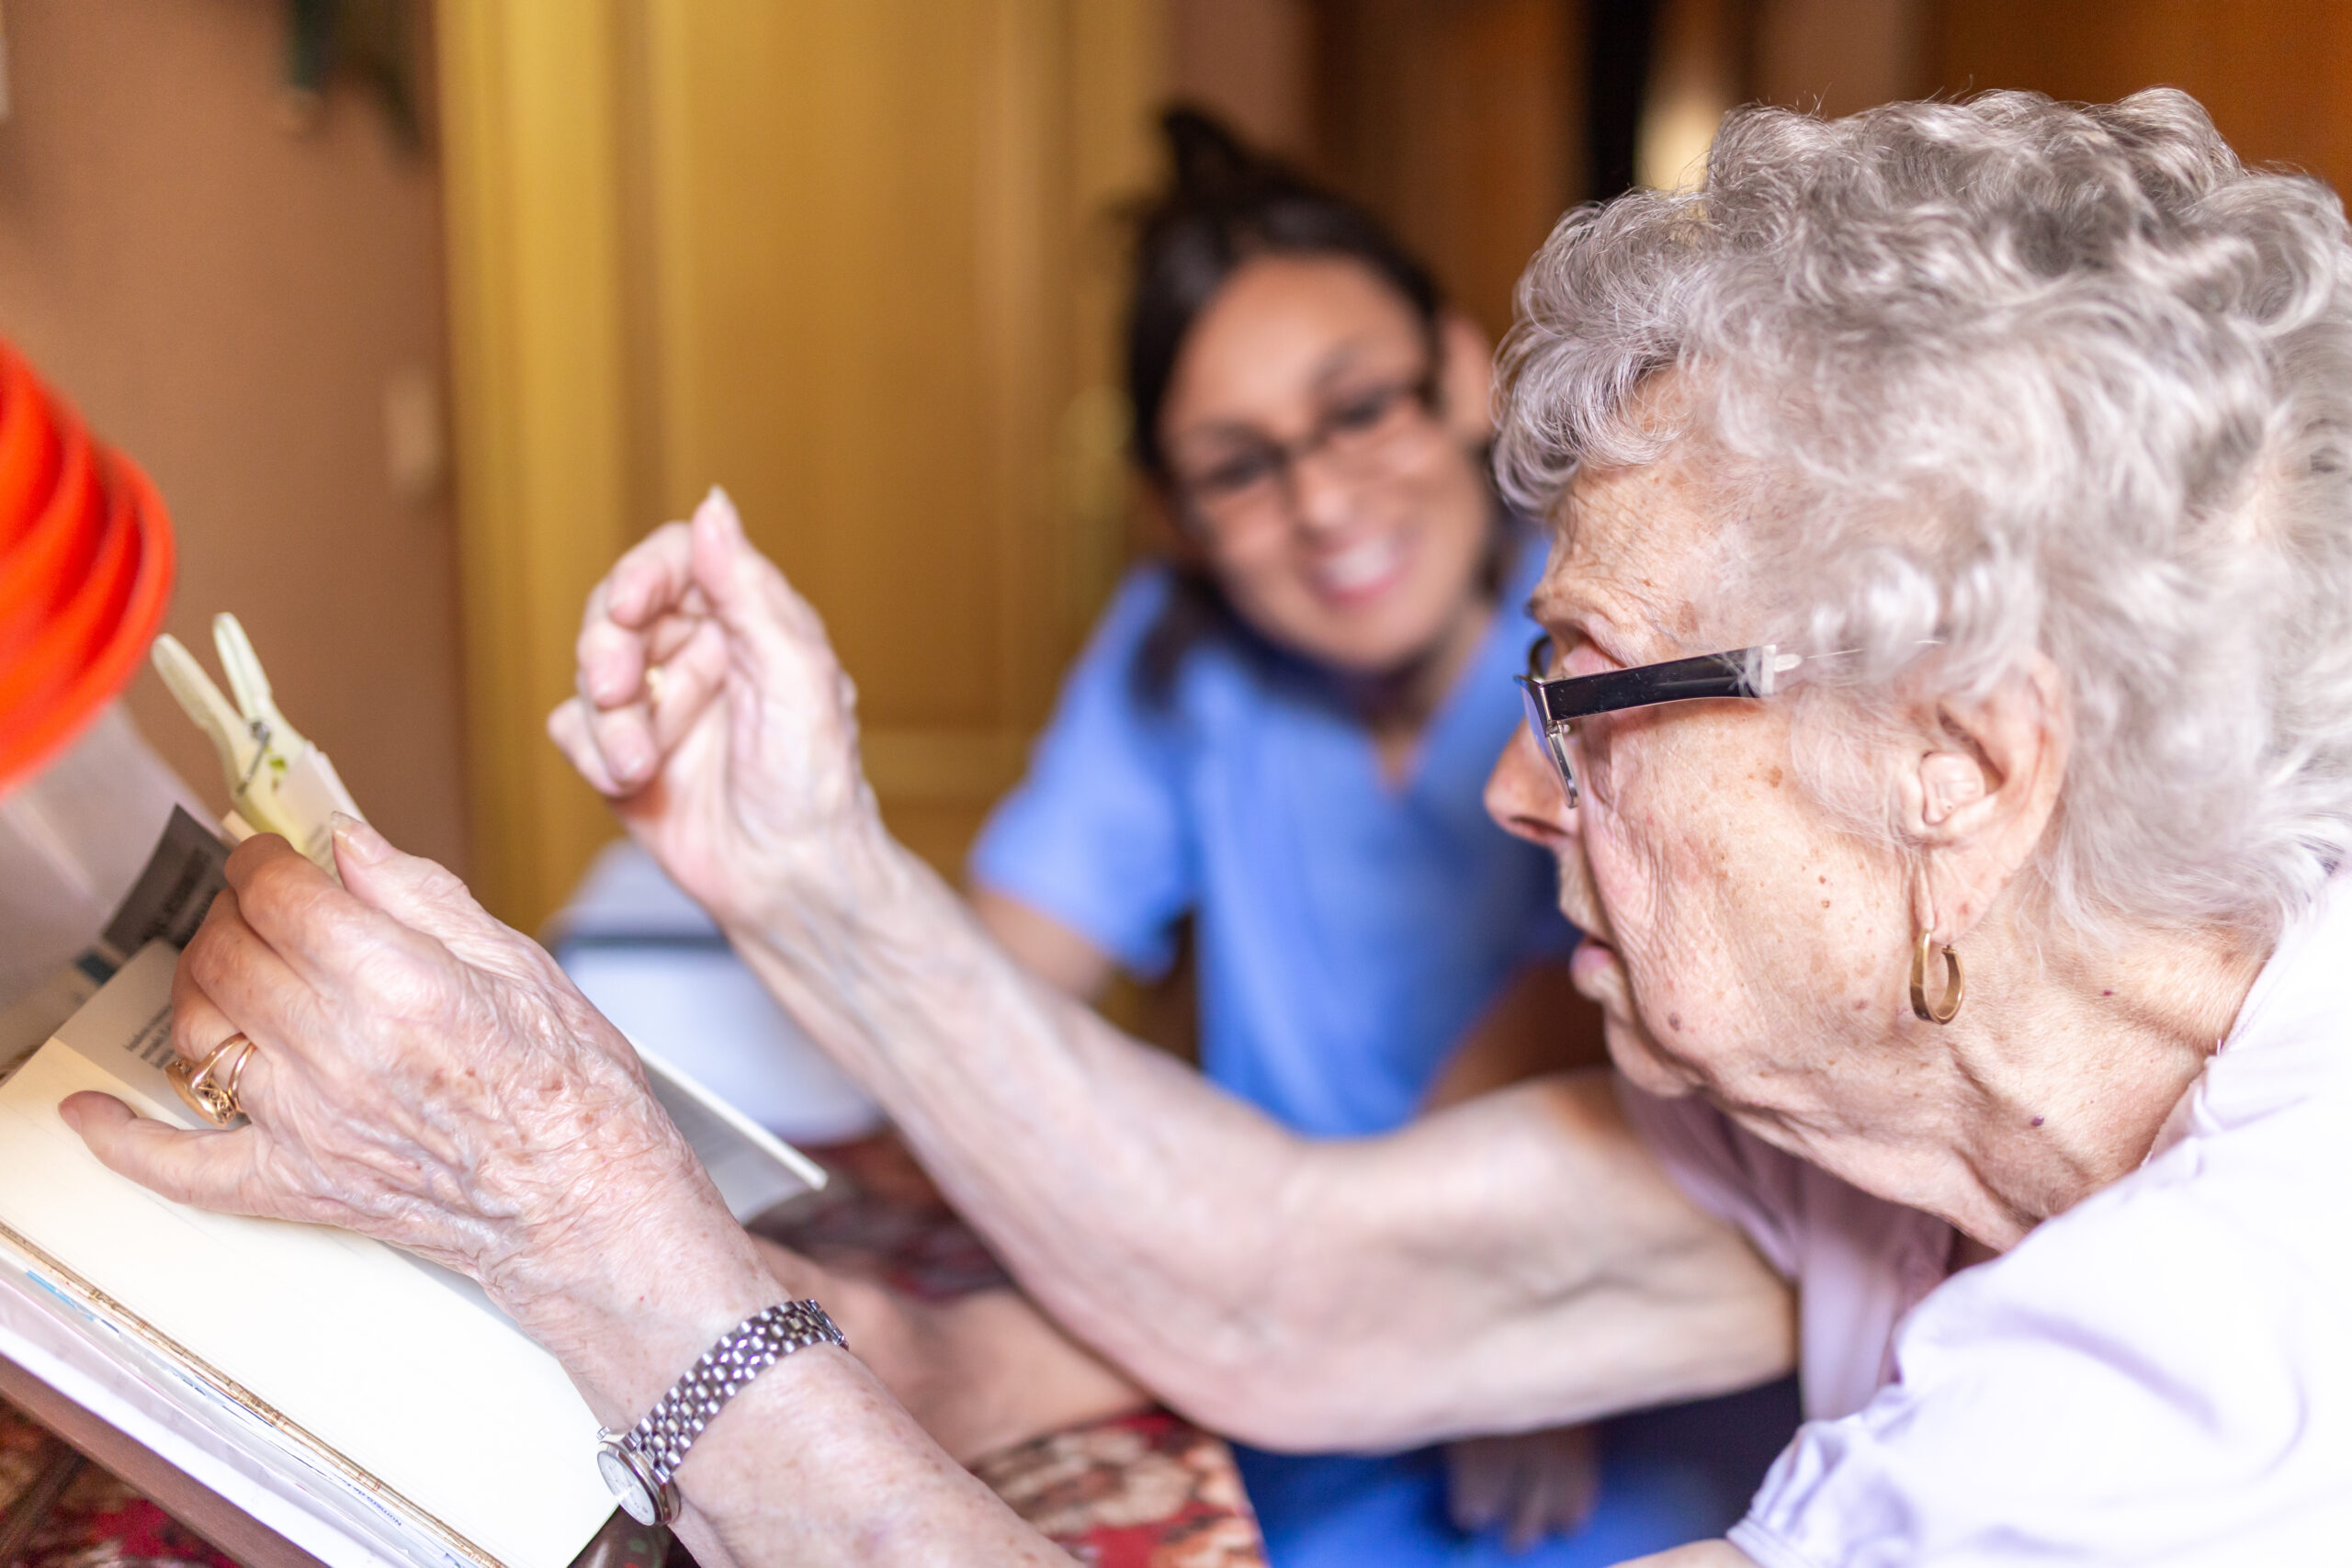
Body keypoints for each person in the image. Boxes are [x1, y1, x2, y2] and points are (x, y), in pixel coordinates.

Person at [62, 88, 2352, 1566]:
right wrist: (810, 866)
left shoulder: (2185, 1421)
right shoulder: (1963, 1052)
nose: (1505, 778)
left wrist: (577, 1209)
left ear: (1952, 761)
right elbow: (1301, 1282)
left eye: (1578, 692)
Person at [967, 108, 1791, 1563]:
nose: (1325, 501)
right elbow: (991, 993)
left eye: (1359, 409)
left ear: (1466, 373)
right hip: (1300, 1352)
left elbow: (1621, 1001)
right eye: (1238, 468)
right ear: (1171, 511)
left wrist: (1486, 1306)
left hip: (1622, 1330)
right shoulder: (1181, 662)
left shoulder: (1615, 612)